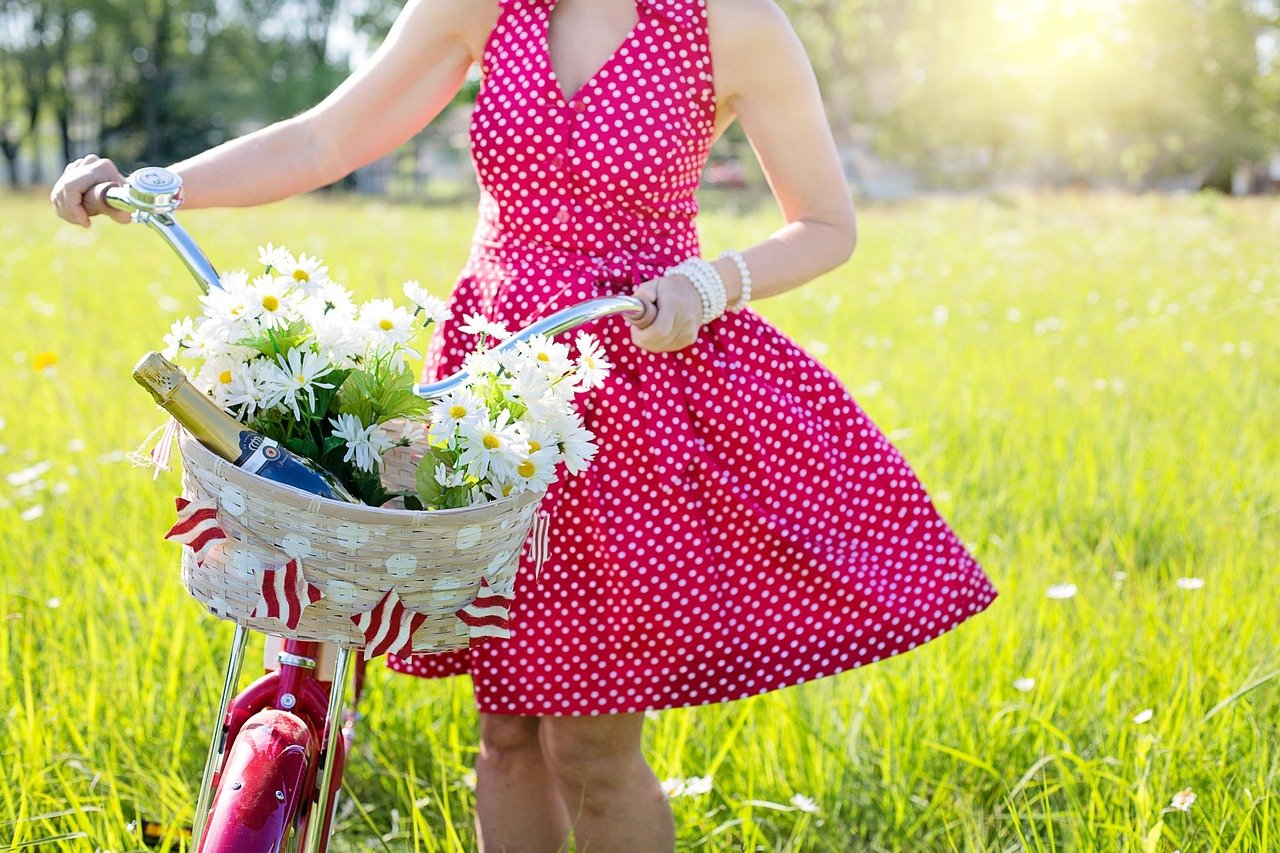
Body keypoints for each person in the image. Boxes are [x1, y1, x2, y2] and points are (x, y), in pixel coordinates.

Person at [51, 0, 999, 849]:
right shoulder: (485, 5)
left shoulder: (730, 22)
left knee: (588, 739)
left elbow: (827, 224)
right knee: (504, 731)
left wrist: (710, 284)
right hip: (491, 400)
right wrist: (160, 185)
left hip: (633, 399)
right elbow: (322, 139)